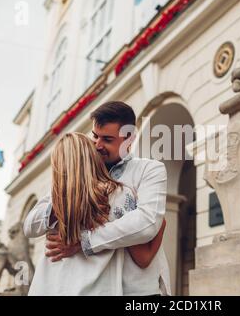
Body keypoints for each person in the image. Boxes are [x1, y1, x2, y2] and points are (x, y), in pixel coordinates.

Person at [24, 101, 171, 296]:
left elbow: (147, 222)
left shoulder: (149, 170)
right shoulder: (76, 174)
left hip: (138, 289)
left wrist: (83, 242)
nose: (98, 145)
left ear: (129, 139)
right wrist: (66, 197)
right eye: (95, 136)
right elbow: (30, 226)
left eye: (107, 139)